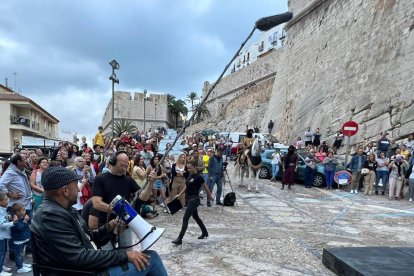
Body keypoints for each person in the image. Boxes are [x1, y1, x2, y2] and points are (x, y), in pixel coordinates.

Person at [31, 166, 168, 275]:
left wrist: (110, 226)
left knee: (146, 259)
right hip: (85, 272)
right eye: (75, 186)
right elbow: (79, 258)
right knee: (152, 259)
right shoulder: (50, 216)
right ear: (65, 190)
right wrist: (124, 255)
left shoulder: (65, 210)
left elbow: (88, 237)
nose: (78, 191)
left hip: (88, 268)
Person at [92, 151, 140, 249]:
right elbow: (96, 204)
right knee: (107, 257)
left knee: (128, 254)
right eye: (122, 164)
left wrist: (151, 182)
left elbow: (143, 197)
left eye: (126, 165)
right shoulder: (100, 179)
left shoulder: (128, 180)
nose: (124, 168)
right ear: (113, 161)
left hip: (124, 225)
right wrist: (120, 211)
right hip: (105, 226)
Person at [172, 160, 214, 245]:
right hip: (189, 199)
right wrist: (180, 194)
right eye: (187, 168)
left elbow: (205, 187)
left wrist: (210, 196)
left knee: (185, 218)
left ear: (195, 167)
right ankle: (205, 232)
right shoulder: (190, 175)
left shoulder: (199, 177)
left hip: (194, 200)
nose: (189, 169)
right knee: (196, 217)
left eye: (190, 168)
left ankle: (180, 238)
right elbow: (186, 186)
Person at [10, 203, 32, 273]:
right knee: (18, 254)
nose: (25, 211)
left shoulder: (20, 217)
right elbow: (20, 228)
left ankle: (22, 264)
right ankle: (20, 268)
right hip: (18, 240)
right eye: (23, 210)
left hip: (22, 239)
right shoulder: (15, 219)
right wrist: (25, 221)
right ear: (18, 212)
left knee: (21, 253)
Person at [0, 193, 14, 276]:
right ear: (0, 202)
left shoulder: (2, 209)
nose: (8, 200)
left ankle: (1, 265)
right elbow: (1, 225)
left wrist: (8, 217)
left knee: (4, 251)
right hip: (1, 236)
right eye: (6, 199)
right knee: (1, 253)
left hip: (4, 236)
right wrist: (13, 223)